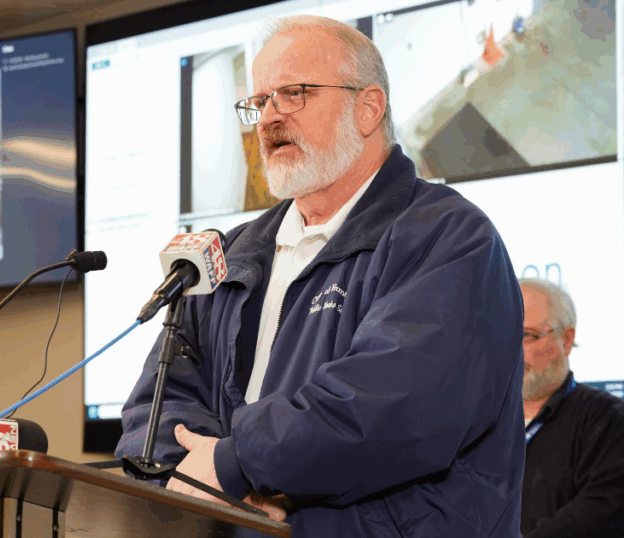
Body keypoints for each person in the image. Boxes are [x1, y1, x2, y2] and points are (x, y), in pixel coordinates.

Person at [115, 15, 525, 537]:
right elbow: (158, 404)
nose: (268, 119)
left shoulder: (447, 236)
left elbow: (389, 407)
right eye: (260, 102)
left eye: (294, 94)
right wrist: (207, 489)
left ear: (368, 108)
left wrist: (236, 465)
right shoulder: (233, 253)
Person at [518, 279, 624, 537]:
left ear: (566, 340)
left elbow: (602, 511)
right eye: (501, 335)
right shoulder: (475, 422)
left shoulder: (609, 419)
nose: (512, 350)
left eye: (526, 336)